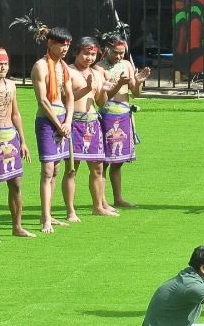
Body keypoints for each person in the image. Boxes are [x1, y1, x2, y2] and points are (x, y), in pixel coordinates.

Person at [0, 32, 34, 240]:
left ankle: (17, 225)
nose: (3, 67)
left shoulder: (11, 85)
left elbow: (15, 113)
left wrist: (23, 140)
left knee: (16, 183)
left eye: (6, 63)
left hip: (10, 136)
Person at [24, 23, 75, 231]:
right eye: (61, 45)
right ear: (51, 44)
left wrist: (69, 121)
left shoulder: (63, 67)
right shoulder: (41, 66)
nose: (65, 49)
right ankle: (44, 217)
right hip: (47, 120)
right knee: (47, 169)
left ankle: (49, 213)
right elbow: (43, 101)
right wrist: (58, 123)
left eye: (68, 45)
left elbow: (70, 96)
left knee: (56, 169)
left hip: (62, 119)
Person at [98, 30, 148, 209]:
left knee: (118, 162)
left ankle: (118, 198)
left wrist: (139, 81)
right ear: (107, 49)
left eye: (122, 53)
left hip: (124, 114)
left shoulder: (127, 64)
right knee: (104, 161)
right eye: (115, 52)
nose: (119, 56)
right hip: (107, 115)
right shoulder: (99, 68)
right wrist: (119, 83)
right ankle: (101, 200)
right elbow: (103, 96)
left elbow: (135, 93)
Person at [68, 36, 116, 217]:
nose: (89, 58)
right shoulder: (68, 71)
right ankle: (71, 211)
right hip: (74, 122)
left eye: (93, 54)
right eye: (86, 54)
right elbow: (67, 97)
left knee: (97, 167)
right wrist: (87, 88)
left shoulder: (96, 73)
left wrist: (104, 89)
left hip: (92, 122)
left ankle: (98, 206)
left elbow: (101, 102)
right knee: (72, 169)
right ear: (77, 53)